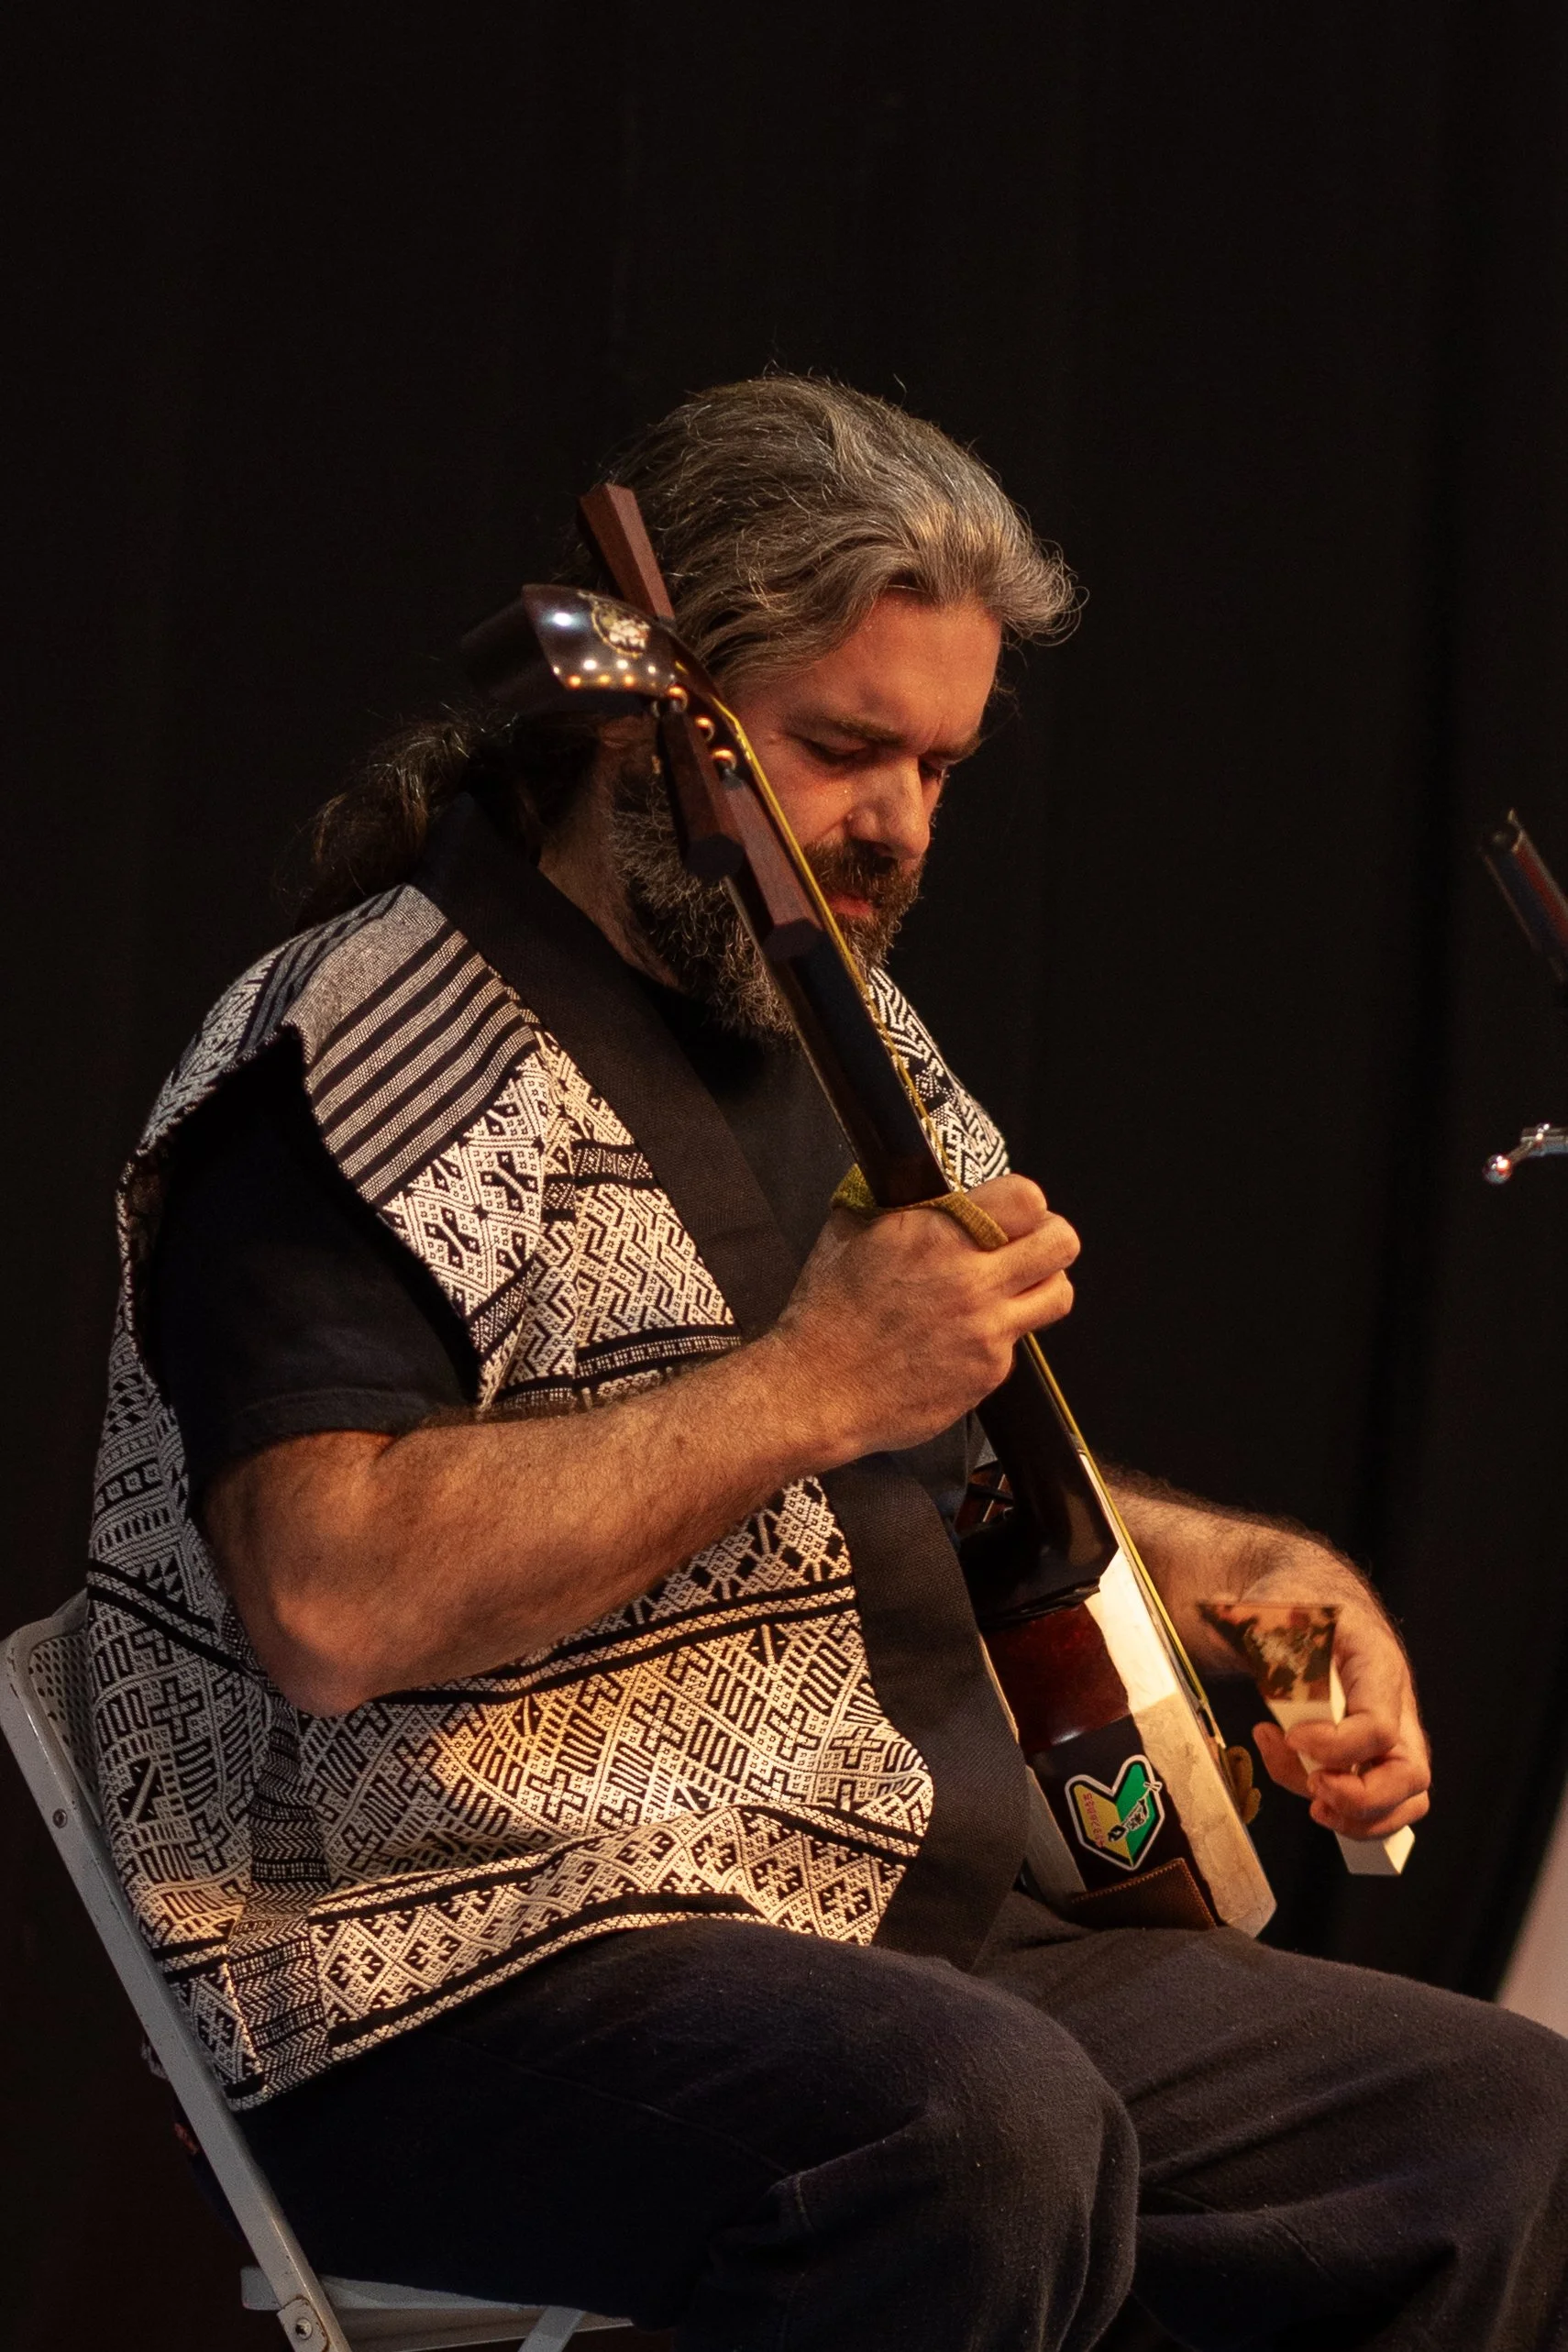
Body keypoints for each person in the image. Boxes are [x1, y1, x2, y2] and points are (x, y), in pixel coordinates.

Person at [88, 376, 1567, 2351]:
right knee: (974, 2123)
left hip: (877, 1912)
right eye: (844, 748)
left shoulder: (834, 1026)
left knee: (1491, 2129)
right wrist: (809, 1379)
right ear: (642, 714)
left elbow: (950, 1458)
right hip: (437, 1965)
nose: (898, 826)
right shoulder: (350, 1057)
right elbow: (329, 1600)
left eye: (940, 765)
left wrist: (1260, 1592)